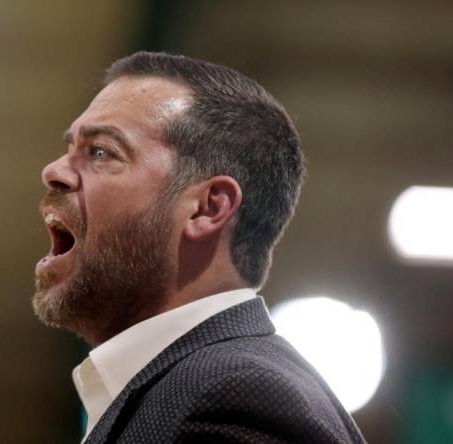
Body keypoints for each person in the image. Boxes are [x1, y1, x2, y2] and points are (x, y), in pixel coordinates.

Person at [32, 51, 366, 444]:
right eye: (70, 148)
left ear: (208, 208)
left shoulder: (232, 400)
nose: (53, 171)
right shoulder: (186, 387)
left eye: (101, 152)